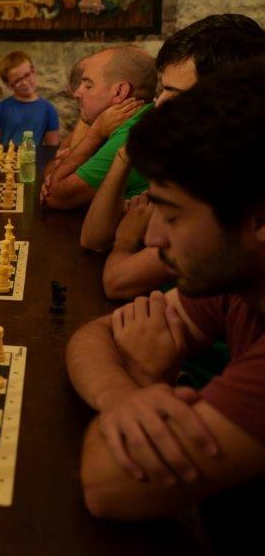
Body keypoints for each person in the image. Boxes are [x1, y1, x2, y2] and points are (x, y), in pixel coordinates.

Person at [65, 58, 265, 520]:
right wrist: (123, 397)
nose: (153, 238)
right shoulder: (237, 280)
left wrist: (144, 377)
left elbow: (108, 485)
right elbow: (96, 334)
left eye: (172, 216)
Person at [81, 16, 265, 301]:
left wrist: (125, 242)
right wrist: (124, 156)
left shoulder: (225, 176)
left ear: (224, 96)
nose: (160, 103)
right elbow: (93, 238)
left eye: (174, 93)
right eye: (162, 89)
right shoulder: (183, 153)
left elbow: (118, 282)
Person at [40, 45, 157, 210]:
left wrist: (94, 134)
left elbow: (54, 197)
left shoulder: (132, 134)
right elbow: (55, 166)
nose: (77, 93)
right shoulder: (121, 121)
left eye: (88, 85)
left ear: (119, 91)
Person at [0, 50, 59, 149]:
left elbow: (52, 148)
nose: (24, 83)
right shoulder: (1, 109)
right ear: (8, 85)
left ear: (34, 71)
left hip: (35, 158)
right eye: (17, 81)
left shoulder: (48, 109)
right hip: (7, 158)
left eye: (27, 75)